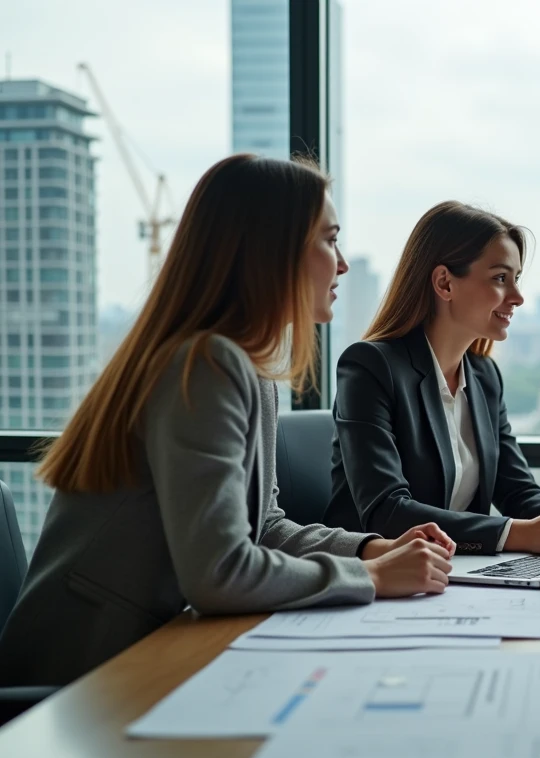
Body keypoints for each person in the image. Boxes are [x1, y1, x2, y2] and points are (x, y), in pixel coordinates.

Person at [0, 155, 455, 688]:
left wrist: (369, 548)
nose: (343, 263)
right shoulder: (205, 364)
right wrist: (371, 577)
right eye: (329, 240)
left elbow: (262, 526)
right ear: (273, 251)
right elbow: (219, 573)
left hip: (152, 653)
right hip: (82, 677)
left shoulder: (244, 366)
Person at [324, 201, 540, 555]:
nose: (518, 297)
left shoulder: (483, 376)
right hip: (376, 579)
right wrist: (524, 534)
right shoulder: (370, 367)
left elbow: (517, 490)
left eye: (516, 279)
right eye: (500, 278)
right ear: (444, 283)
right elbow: (386, 512)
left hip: (457, 574)